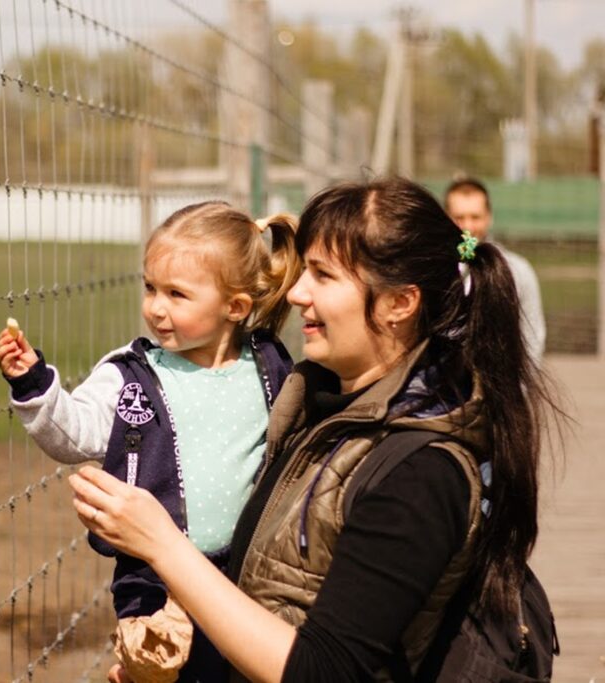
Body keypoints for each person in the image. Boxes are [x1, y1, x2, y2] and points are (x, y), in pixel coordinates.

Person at [68, 178, 559, 682]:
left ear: (399, 304)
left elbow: (323, 671)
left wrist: (161, 544)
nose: (297, 292)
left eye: (322, 275)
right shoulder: (315, 408)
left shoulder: (420, 474)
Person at [0, 202, 302, 682]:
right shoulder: (131, 375)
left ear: (235, 307)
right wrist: (34, 385)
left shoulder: (269, 367)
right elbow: (72, 433)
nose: (156, 307)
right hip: (155, 583)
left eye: (177, 294)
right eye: (150, 287)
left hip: (252, 573)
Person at [444, 177, 546, 359]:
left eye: (475, 217)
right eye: (459, 218)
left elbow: (532, 337)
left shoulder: (517, 270)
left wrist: (518, 386)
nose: (468, 227)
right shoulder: (432, 270)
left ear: (488, 217)